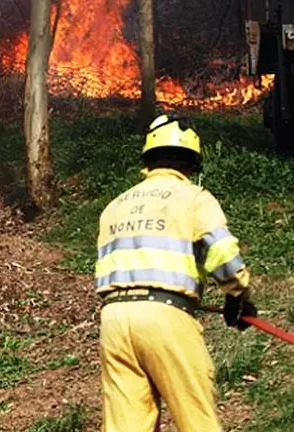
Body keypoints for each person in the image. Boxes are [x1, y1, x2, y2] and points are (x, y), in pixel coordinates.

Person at [94, 114, 257, 431]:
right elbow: (224, 255)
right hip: (167, 318)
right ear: (192, 165)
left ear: (148, 161)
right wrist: (237, 297)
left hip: (113, 322)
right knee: (197, 420)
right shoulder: (194, 198)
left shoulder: (114, 205)